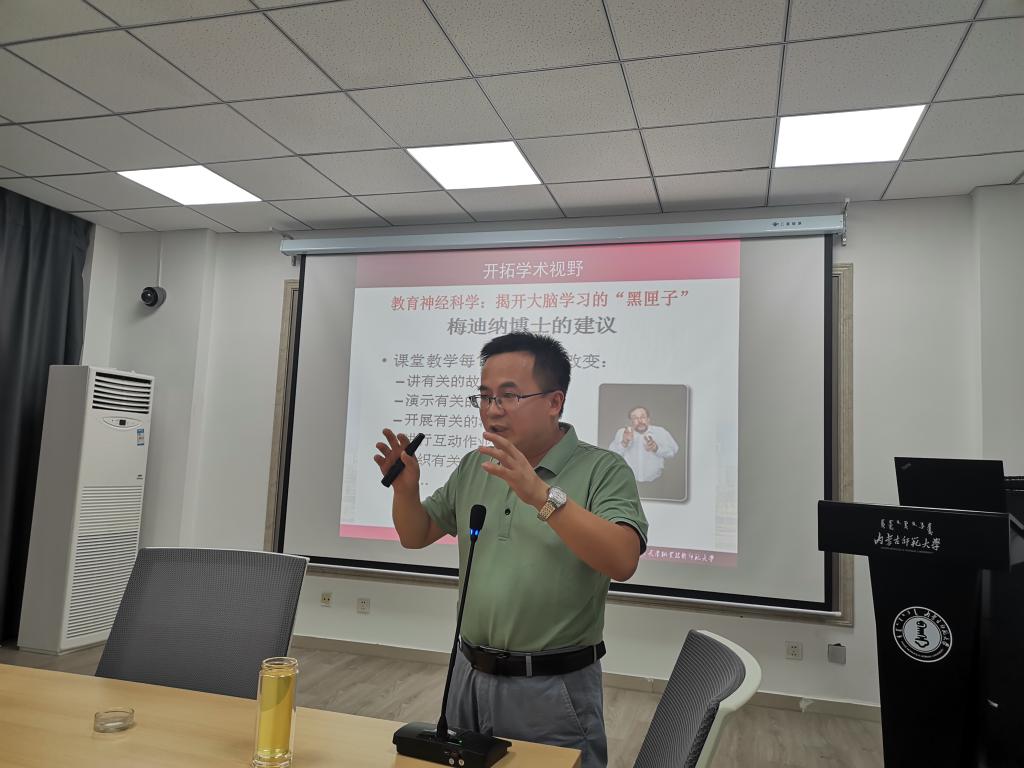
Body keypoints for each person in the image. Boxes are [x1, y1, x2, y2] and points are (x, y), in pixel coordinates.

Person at [374, 332, 647, 768]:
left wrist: (541, 495)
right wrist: (406, 490)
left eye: (508, 396)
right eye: (484, 396)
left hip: (552, 687)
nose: (492, 409)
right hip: (468, 675)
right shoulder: (476, 465)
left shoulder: (603, 469)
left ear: (555, 402)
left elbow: (623, 559)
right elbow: (417, 533)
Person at [608, 406, 679, 483]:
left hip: (656, 481)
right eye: (635, 418)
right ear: (631, 421)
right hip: (629, 482)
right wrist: (624, 442)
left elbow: (672, 452)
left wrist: (656, 448)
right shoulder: (622, 433)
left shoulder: (661, 432)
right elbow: (612, 457)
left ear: (648, 419)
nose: (640, 421)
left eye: (643, 417)